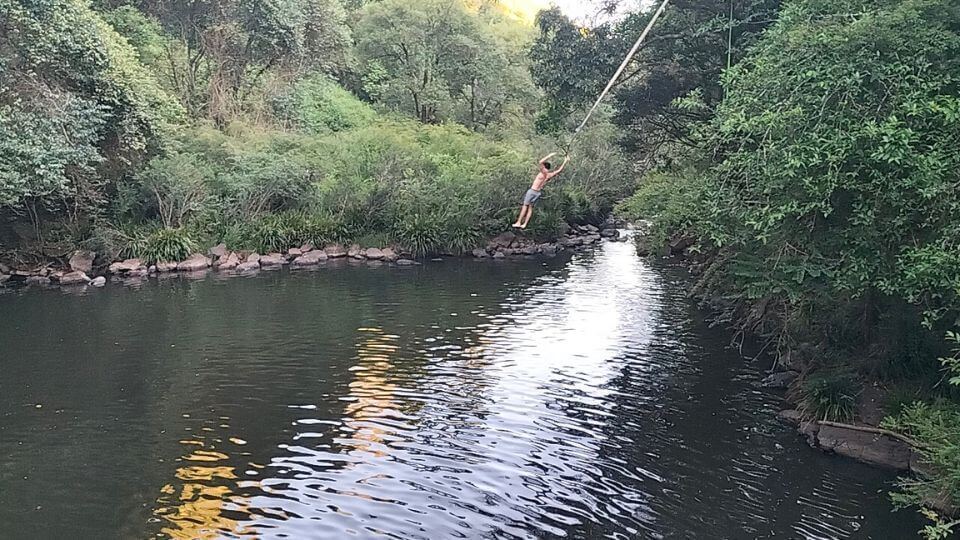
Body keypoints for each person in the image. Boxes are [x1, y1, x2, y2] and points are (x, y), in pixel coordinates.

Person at [512, 152, 570, 229]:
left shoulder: (543, 172)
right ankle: (525, 224)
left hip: (532, 191)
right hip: (538, 193)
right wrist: (565, 161)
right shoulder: (549, 175)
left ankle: (519, 222)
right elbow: (559, 170)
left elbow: (540, 161)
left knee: (524, 206)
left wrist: (549, 155)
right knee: (530, 208)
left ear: (544, 167)